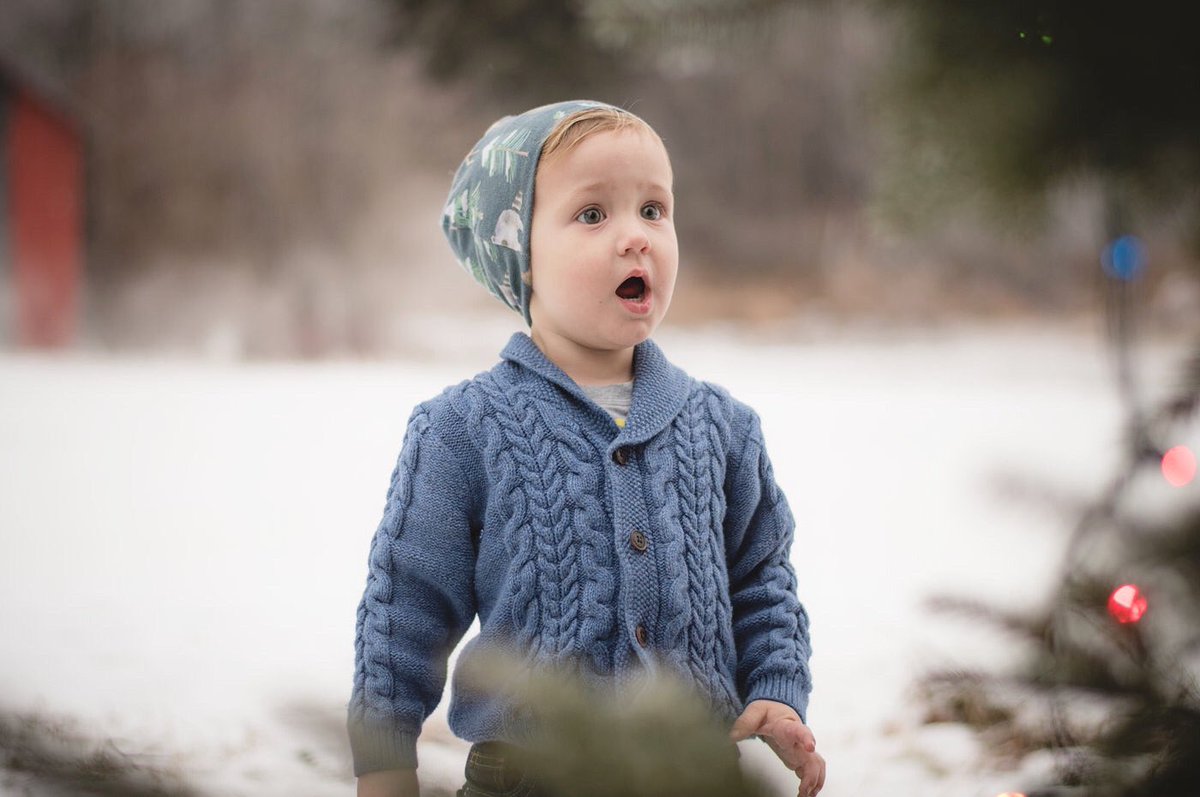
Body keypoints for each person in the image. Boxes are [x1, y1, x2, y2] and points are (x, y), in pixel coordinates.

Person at [349, 100, 825, 797]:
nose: (636, 237)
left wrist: (778, 691)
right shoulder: (462, 428)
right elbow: (404, 609)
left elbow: (762, 579)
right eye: (594, 214)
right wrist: (385, 767)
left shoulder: (723, 427)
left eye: (654, 210)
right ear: (521, 254)